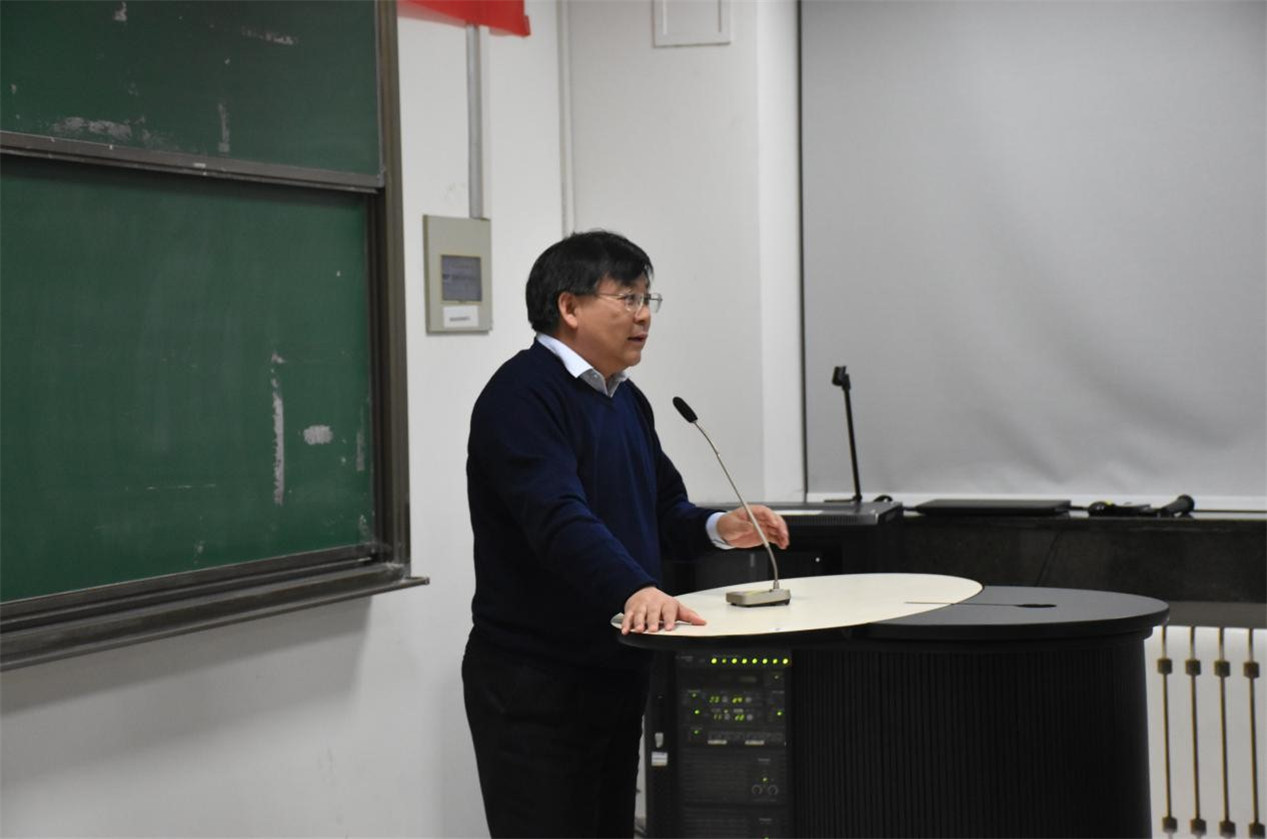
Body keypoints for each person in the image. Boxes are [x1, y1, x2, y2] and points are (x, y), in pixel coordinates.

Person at [462, 230, 790, 838]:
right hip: (538, 680)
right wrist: (633, 587)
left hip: (614, 666)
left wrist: (721, 527)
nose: (644, 316)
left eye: (648, 300)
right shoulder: (521, 396)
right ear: (569, 306)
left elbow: (663, 509)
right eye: (629, 298)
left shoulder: (626, 400)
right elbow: (558, 519)